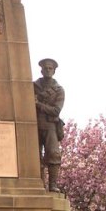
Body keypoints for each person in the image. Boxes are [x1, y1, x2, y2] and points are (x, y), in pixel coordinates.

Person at [34, 58, 65, 192]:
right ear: (41, 70)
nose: (47, 70)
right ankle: (39, 183)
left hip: (50, 125)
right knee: (34, 155)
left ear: (54, 71)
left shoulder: (59, 90)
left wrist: (38, 104)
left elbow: (56, 111)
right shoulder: (33, 86)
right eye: (45, 68)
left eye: (50, 68)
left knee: (53, 153)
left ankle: (52, 185)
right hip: (33, 124)